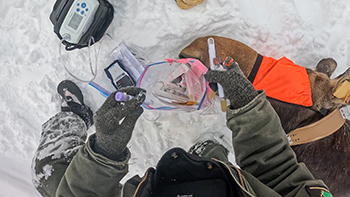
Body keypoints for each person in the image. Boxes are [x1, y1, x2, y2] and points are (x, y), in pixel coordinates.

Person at [32, 57, 332, 197]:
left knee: (47, 169)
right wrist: (249, 108)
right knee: (212, 160)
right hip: (222, 179)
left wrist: (102, 154)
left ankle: (72, 116)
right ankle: (210, 155)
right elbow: (279, 173)